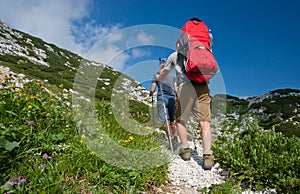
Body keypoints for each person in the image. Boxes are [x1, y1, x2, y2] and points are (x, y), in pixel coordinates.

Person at [156, 37, 214, 170]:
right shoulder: (203, 51)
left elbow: (163, 75)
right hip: (202, 86)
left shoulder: (174, 56)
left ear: (178, 44)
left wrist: (158, 78)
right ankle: (207, 156)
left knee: (180, 120)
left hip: (185, 87)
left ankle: (185, 151)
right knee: (205, 122)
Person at [150, 58, 179, 150]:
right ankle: (175, 139)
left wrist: (150, 92)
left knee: (165, 121)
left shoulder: (157, 75)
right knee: (172, 121)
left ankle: (170, 140)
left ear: (160, 65)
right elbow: (176, 90)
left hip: (161, 98)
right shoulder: (173, 76)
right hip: (171, 99)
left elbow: (153, 89)